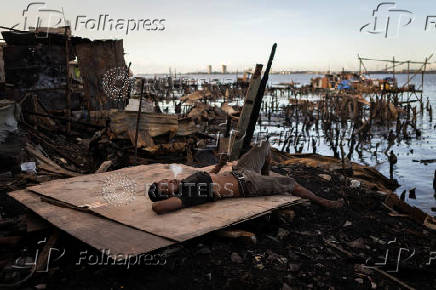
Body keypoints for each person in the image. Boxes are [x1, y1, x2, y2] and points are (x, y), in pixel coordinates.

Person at [148, 141, 344, 214]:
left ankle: (266, 172)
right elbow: (158, 207)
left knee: (263, 146)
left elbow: (209, 176)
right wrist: (167, 198)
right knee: (290, 183)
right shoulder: (187, 194)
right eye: (166, 187)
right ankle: (323, 202)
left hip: (240, 171)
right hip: (248, 184)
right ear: (170, 196)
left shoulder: (187, 182)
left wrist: (219, 164)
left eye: (163, 181)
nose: (169, 182)